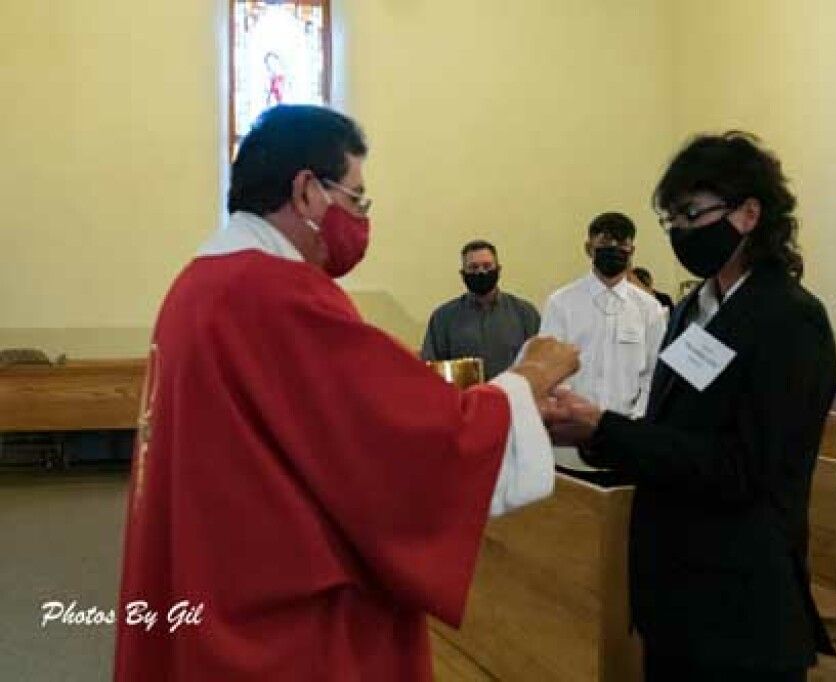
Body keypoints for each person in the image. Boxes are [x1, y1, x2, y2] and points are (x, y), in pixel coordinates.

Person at [113, 105, 579, 681]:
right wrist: (529, 377)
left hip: (215, 577)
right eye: (356, 199)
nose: (360, 220)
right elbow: (406, 446)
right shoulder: (274, 293)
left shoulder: (197, 285)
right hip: (283, 623)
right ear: (307, 189)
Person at [548, 132, 836, 681]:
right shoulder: (688, 311)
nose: (680, 231)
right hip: (676, 593)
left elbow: (743, 468)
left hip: (739, 603)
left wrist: (603, 428)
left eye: (690, 213)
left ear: (749, 213)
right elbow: (669, 430)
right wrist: (588, 430)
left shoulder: (789, 319)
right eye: (670, 219)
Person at [539, 212, 665, 418]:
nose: (614, 248)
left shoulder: (650, 309)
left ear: (631, 251)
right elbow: (550, 368)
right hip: (571, 424)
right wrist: (574, 411)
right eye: (606, 242)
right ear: (589, 249)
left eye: (621, 244)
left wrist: (638, 416)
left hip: (630, 425)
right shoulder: (561, 303)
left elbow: (654, 373)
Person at [421, 239, 540, 380]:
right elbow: (431, 370)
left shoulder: (525, 314)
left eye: (487, 266)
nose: (481, 272)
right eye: (473, 267)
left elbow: (541, 364)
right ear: (462, 274)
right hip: (465, 400)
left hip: (513, 400)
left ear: (499, 270)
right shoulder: (442, 319)